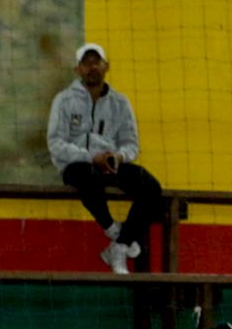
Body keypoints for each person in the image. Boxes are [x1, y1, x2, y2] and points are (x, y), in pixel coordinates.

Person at [48, 42, 164, 275]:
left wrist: (118, 157)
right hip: (78, 165)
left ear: (106, 66)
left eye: (96, 62)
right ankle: (112, 229)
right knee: (85, 175)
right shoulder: (63, 100)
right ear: (77, 69)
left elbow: (132, 143)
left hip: (111, 165)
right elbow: (56, 143)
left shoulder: (120, 103)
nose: (92, 67)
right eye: (86, 63)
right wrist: (91, 157)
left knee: (151, 187)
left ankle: (119, 246)